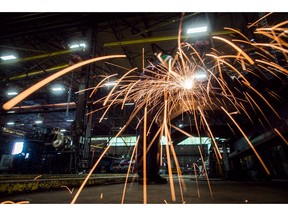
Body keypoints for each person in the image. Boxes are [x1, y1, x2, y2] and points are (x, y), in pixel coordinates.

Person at [134, 54, 172, 184]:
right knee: (144, 143)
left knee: (155, 144)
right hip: (146, 111)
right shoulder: (151, 69)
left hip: (157, 112)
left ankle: (153, 173)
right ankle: (143, 174)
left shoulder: (165, 73)